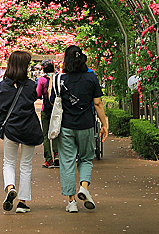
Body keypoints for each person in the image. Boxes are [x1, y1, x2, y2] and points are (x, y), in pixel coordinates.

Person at [49, 45, 108, 213]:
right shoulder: (91, 78)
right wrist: (104, 124)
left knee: (67, 162)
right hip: (86, 125)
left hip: (66, 126)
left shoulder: (60, 79)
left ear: (65, 61)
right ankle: (84, 187)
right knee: (86, 158)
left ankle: (72, 202)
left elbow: (54, 102)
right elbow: (97, 103)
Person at [0, 50, 43, 214]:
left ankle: (10, 187)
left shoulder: (4, 85)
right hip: (28, 127)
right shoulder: (30, 85)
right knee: (26, 166)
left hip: (11, 128)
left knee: (9, 162)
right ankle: (22, 203)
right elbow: (32, 99)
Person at [35, 59, 57, 168]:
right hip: (57, 110)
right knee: (57, 131)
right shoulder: (59, 77)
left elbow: (38, 94)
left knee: (46, 135)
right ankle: (57, 154)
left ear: (43, 69)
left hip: (46, 109)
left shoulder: (42, 80)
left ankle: (49, 159)